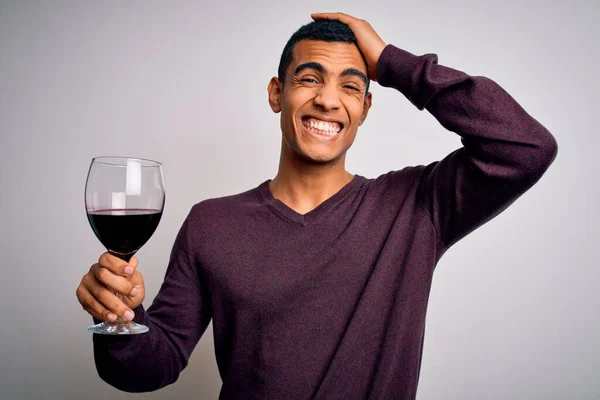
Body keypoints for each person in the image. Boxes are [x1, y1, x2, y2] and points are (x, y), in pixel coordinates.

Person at [76, 12, 558, 399]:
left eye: (350, 86)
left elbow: (525, 147)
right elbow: (150, 368)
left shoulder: (416, 207)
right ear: (276, 93)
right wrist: (119, 320)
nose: (329, 100)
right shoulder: (211, 223)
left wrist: (393, 62)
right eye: (309, 78)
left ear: (365, 109)